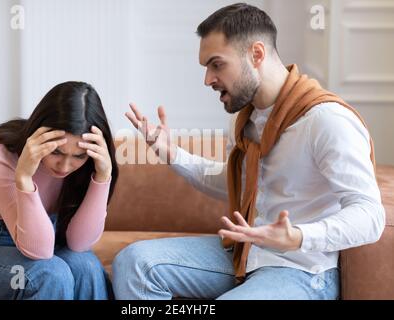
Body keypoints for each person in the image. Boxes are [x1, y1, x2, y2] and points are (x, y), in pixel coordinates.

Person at [113, 3, 385, 300]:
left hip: (301, 269)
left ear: (256, 54)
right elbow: (237, 182)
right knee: (135, 263)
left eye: (217, 64)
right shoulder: (245, 120)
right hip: (245, 254)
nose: (207, 80)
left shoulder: (326, 121)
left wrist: (298, 236)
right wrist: (172, 153)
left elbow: (370, 215)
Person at [0, 81, 118, 300]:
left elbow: (79, 244)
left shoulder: (89, 164)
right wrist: (24, 177)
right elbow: (40, 252)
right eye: (56, 152)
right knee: (50, 274)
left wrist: (102, 177)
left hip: (47, 242)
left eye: (78, 156)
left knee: (87, 266)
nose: (64, 167)